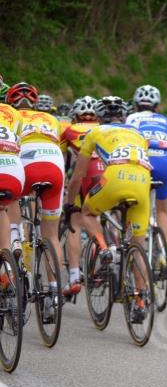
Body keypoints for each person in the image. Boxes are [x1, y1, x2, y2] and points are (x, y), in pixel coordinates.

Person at [64, 96, 152, 321]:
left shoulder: (95, 132)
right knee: (137, 246)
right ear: (124, 116)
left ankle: (104, 249)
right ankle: (140, 301)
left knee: (87, 212)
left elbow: (78, 176)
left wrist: (70, 204)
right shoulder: (138, 133)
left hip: (114, 178)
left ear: (100, 117)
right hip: (143, 183)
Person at [6, 83, 66, 288]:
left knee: (11, 199)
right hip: (54, 165)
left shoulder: (11, 116)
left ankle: (15, 238)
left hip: (26, 163)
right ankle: (55, 292)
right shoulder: (52, 119)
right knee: (52, 235)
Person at [60, 95, 101, 295]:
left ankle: (74, 277)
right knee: (101, 218)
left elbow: (62, 163)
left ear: (75, 116)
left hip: (83, 177)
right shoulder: (105, 129)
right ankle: (114, 256)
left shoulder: (70, 130)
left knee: (74, 224)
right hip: (108, 177)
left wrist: (65, 187)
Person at [125, 84, 167, 242]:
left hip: (142, 162)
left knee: (134, 207)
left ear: (136, 104)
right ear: (157, 106)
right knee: (162, 212)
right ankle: (162, 251)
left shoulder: (131, 118)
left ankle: (136, 250)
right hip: (164, 163)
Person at [0, 79, 26, 251]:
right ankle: (9, 253)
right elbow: (18, 145)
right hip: (14, 170)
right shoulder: (14, 113)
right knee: (2, 208)